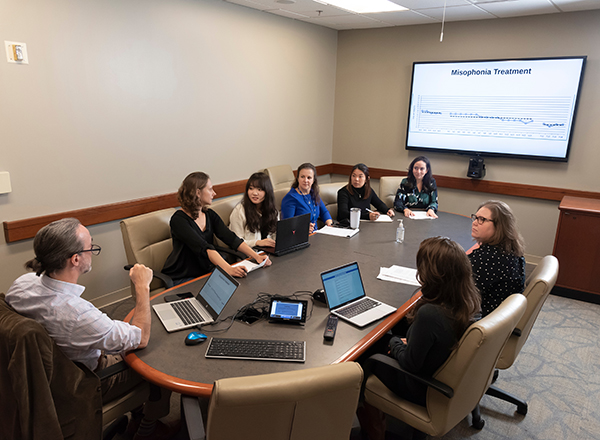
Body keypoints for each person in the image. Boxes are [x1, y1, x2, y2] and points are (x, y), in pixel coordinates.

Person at [5, 218, 174, 440]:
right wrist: (142, 287)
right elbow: (140, 338)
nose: (92, 252)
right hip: (85, 379)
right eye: (90, 247)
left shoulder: (23, 284)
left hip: (51, 372)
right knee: (159, 359)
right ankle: (147, 429)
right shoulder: (77, 314)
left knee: (121, 339)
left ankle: (141, 415)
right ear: (75, 259)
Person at [359, 237, 481, 440]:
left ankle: (374, 429)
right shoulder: (467, 298)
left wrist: (394, 342)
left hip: (421, 386)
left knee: (366, 356)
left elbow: (409, 363)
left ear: (431, 273)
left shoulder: (430, 314)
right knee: (393, 334)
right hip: (444, 373)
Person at [162, 172, 271, 284]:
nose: (214, 193)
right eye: (210, 189)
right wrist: (228, 269)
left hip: (207, 271)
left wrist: (256, 256)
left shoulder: (209, 214)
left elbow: (232, 239)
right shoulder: (179, 220)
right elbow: (204, 247)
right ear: (198, 193)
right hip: (184, 277)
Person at [468, 200, 526, 317]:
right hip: (501, 317)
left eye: (482, 220)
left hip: (483, 318)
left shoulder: (487, 258)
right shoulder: (511, 250)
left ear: (499, 226)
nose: (475, 223)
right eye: (475, 217)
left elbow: (463, 293)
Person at [229, 172, 278, 248]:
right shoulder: (239, 211)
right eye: (251, 188)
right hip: (250, 254)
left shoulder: (273, 210)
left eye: (259, 189)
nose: (254, 193)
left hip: (269, 251)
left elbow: (276, 235)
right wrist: (257, 242)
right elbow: (236, 241)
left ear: (267, 191)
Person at [281, 163, 333, 233]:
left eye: (309, 177)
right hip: (299, 239)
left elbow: (324, 212)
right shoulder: (290, 198)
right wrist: (303, 228)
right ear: (297, 178)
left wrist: (329, 223)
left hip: (316, 235)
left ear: (313, 180)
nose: (305, 180)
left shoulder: (313, 193)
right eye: (302, 177)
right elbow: (287, 227)